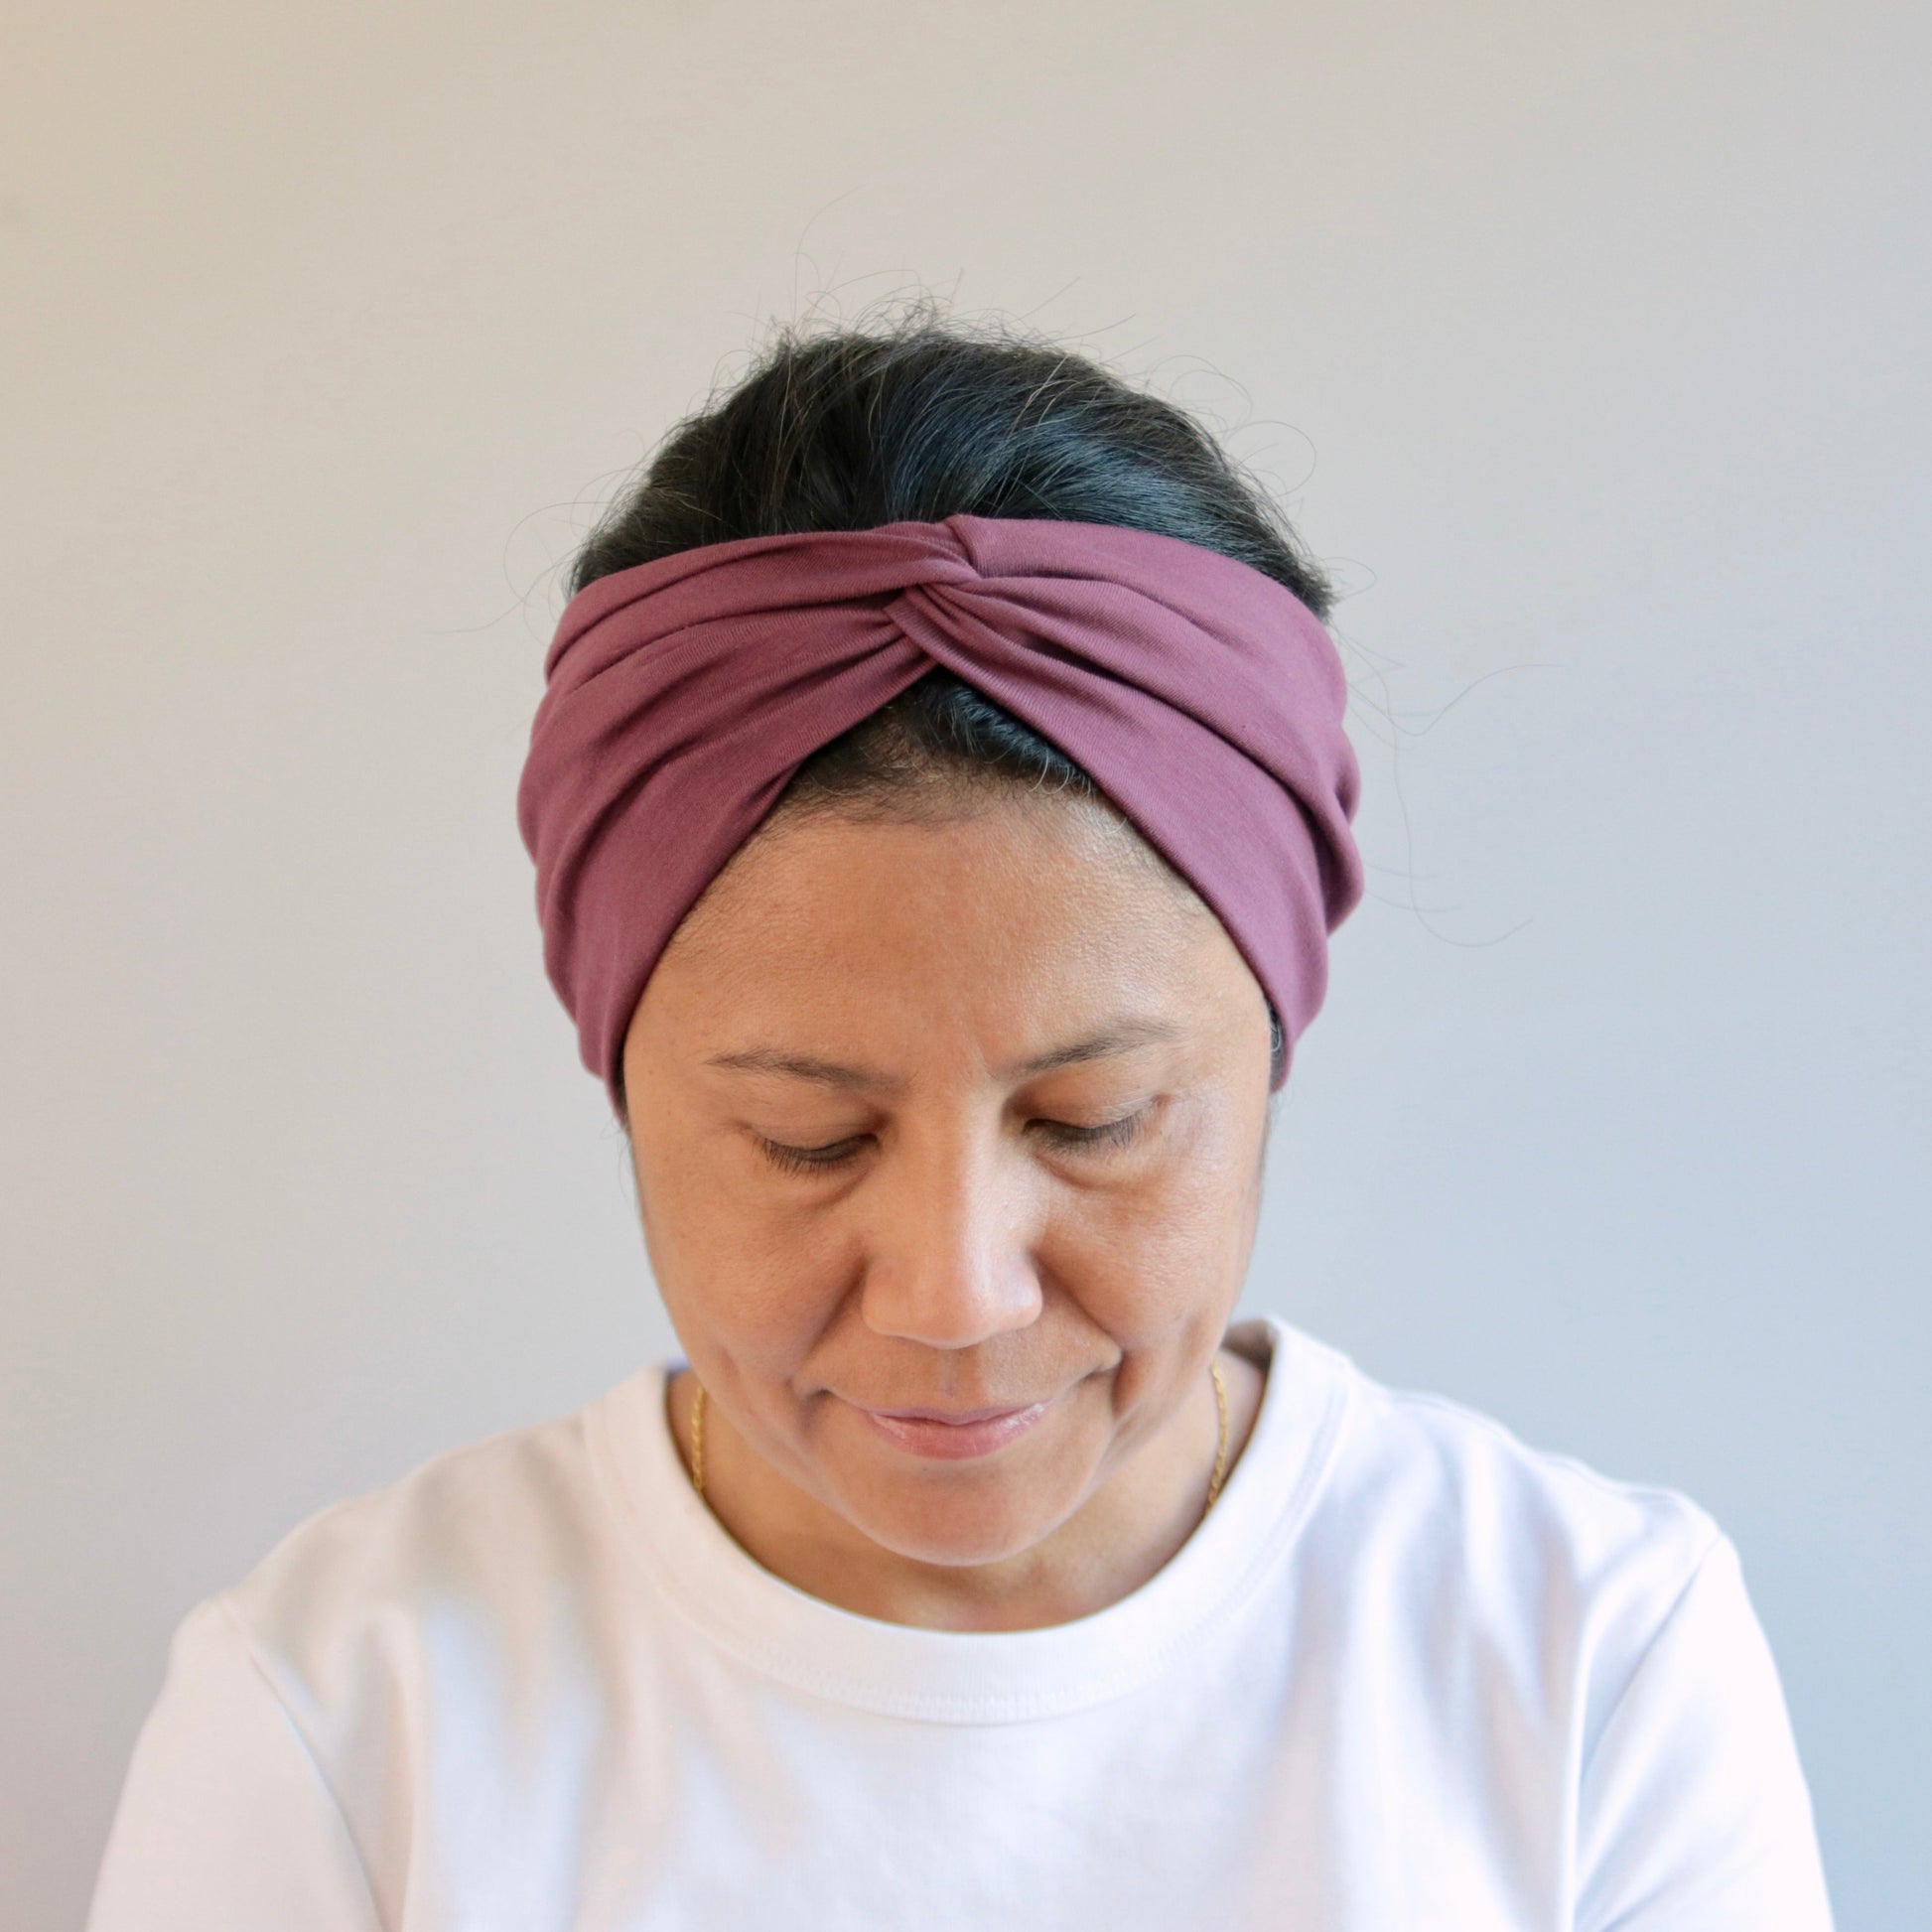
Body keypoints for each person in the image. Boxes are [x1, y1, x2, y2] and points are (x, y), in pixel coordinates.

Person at [85, 310, 1835, 1930]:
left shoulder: (1588, 1658)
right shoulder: (340, 1710)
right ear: (618, 1063)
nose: (954, 1294)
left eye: (1097, 1119)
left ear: (1271, 1043)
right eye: (807, 1137)